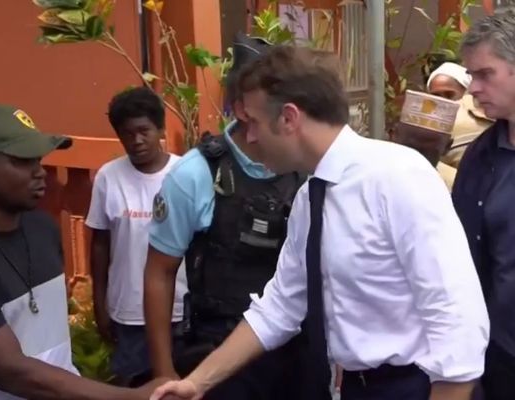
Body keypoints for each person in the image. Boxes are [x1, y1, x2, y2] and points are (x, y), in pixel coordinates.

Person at [150, 45, 489, 400]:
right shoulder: (310, 199)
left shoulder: (397, 177)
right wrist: (196, 383)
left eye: (253, 123)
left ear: (289, 118)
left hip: (417, 387)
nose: (248, 138)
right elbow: (279, 307)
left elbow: (456, 319)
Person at [0, 104, 162, 400]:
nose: (40, 172)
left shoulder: (43, 229)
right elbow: (12, 372)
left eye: (38, 159)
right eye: (22, 161)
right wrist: (133, 398)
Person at [143, 33, 311, 399]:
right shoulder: (195, 174)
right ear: (241, 107)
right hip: (219, 353)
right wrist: (163, 372)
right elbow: (160, 271)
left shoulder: (307, 166)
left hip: (297, 353)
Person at [86, 87, 187, 386]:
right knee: (134, 387)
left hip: (181, 310)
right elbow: (100, 244)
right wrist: (99, 304)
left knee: (183, 387)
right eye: (127, 134)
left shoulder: (186, 173)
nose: (136, 140)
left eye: (144, 131)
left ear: (160, 128)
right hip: (128, 313)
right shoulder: (108, 176)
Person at [455, 7, 515, 400]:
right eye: (470, 75)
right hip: (498, 359)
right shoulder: (481, 156)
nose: (472, 88)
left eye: (484, 74)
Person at [390, 90, 458, 191]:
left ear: (447, 147)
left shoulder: (455, 186)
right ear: (393, 135)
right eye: (410, 149)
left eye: (426, 152)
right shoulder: (369, 179)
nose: (417, 159)